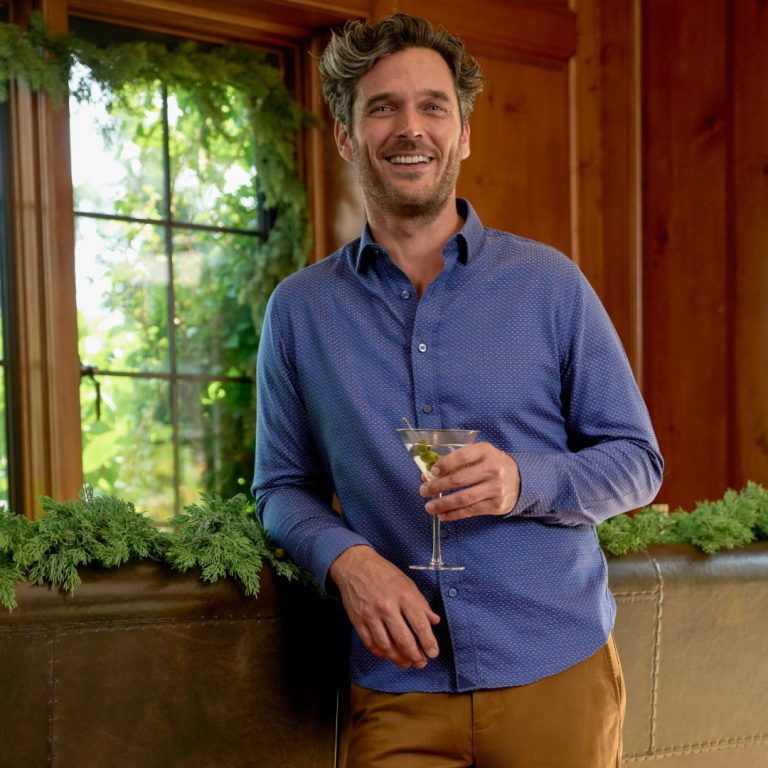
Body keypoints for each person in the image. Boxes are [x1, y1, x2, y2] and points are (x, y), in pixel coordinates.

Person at [253, 12, 663, 768]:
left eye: (433, 106)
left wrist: (521, 480)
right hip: (395, 686)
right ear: (346, 136)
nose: (410, 128)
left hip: (556, 669)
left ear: (464, 133)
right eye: (383, 108)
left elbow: (638, 461)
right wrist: (347, 559)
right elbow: (280, 487)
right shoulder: (300, 312)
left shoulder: (549, 286)